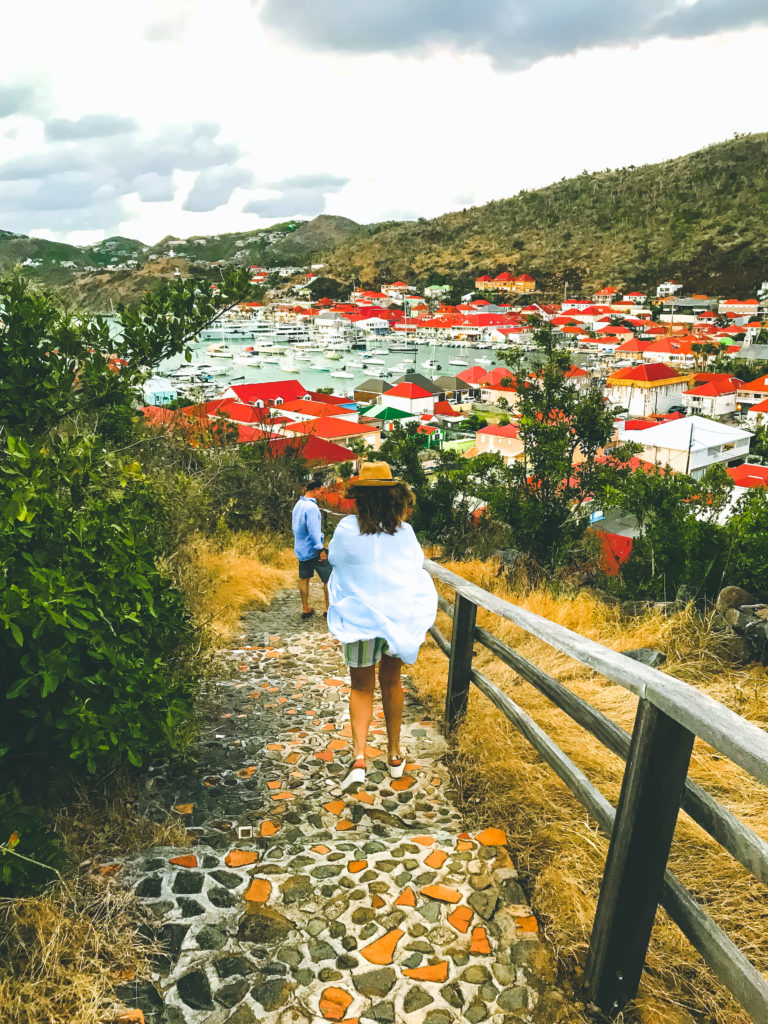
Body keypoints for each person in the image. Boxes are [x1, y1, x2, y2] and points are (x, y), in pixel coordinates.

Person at [327, 462, 437, 790]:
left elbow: (335, 560)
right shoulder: (404, 532)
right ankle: (393, 755)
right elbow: (413, 568)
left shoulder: (347, 529)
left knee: (361, 687)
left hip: (359, 620)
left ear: (358, 497)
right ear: (394, 496)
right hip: (396, 619)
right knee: (391, 682)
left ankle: (359, 758)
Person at [291, 475, 331, 620]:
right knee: (328, 578)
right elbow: (313, 530)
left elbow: (294, 527)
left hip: (301, 549)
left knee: (304, 578)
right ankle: (328, 609)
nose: (322, 494)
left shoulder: (298, 505)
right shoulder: (312, 507)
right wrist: (320, 549)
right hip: (314, 550)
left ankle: (305, 608)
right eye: (321, 491)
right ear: (314, 490)